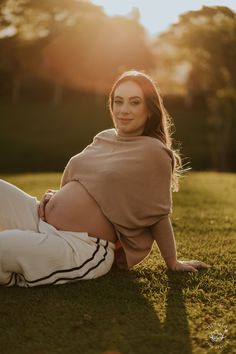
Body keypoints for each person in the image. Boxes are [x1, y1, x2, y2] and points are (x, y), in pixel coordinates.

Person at [0, 70, 210, 287]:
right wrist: (56, 197)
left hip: (82, 246)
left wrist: (172, 261)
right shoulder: (105, 137)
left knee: (3, 246)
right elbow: (86, 181)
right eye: (118, 102)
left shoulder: (154, 152)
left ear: (149, 109)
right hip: (41, 218)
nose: (124, 110)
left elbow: (158, 215)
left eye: (134, 102)